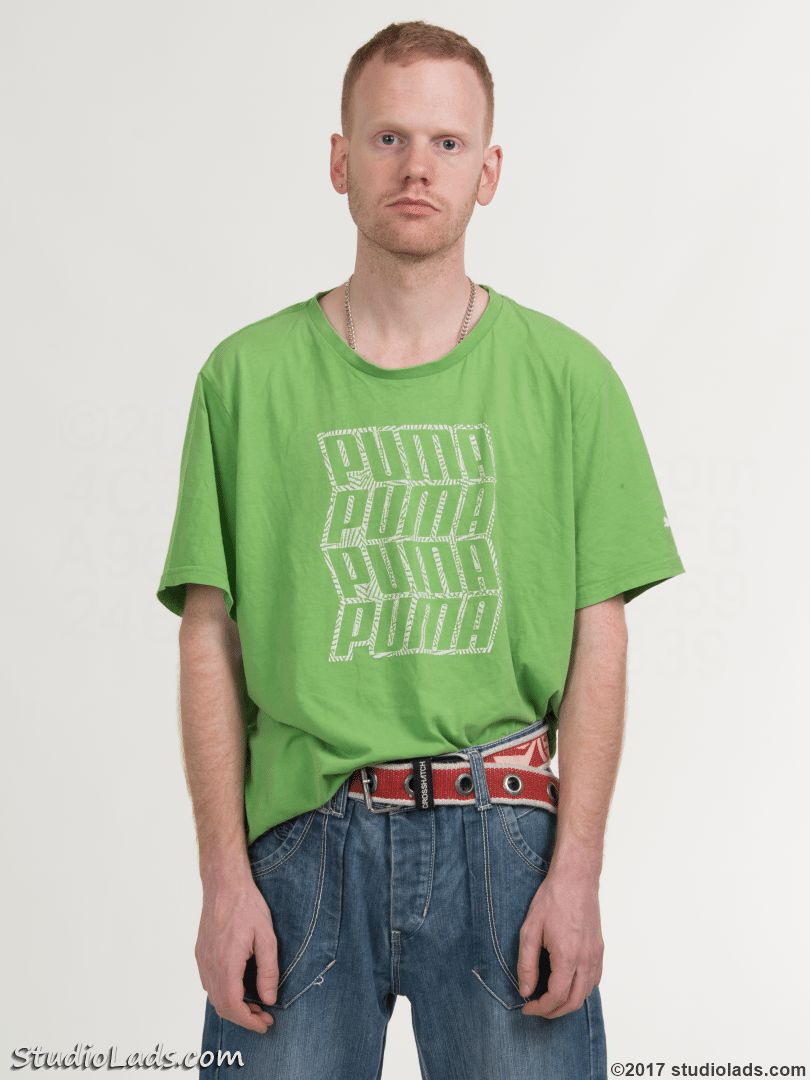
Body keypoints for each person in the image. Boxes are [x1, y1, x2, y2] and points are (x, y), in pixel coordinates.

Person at [156, 20, 684, 1080]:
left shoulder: (569, 380)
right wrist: (222, 880)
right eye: (388, 137)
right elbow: (209, 638)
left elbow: (600, 636)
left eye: (448, 143)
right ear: (340, 160)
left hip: (506, 838)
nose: (416, 168)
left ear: (488, 172)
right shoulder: (243, 379)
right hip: (301, 842)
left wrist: (577, 873)